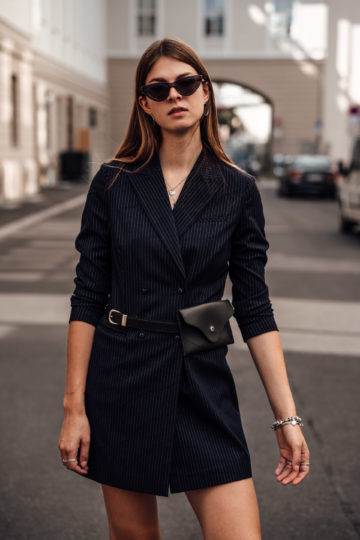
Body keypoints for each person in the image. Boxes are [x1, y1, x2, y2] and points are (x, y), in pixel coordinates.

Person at [58, 37, 310, 540]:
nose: (175, 95)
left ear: (206, 93)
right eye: (159, 88)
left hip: (200, 380)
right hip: (124, 378)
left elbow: (255, 309)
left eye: (187, 83)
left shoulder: (237, 189)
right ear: (144, 104)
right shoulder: (113, 183)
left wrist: (287, 419)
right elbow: (87, 297)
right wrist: (74, 409)